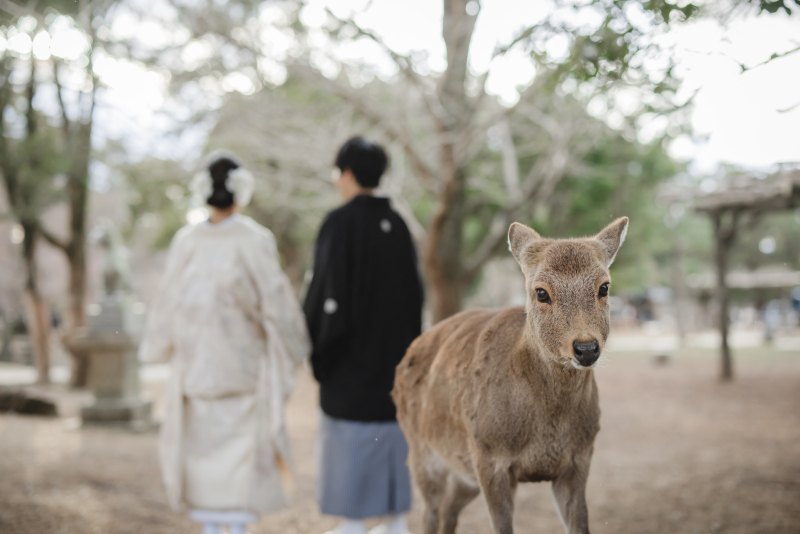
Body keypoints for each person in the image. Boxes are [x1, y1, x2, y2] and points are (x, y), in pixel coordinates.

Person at [139, 154, 310, 534]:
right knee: (239, 458)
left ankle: (213, 528)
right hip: (241, 364)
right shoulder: (254, 239)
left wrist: (155, 348)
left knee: (202, 455)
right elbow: (277, 302)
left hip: (197, 363)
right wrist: (297, 346)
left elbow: (167, 299)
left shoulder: (187, 241)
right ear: (241, 192)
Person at [304, 137, 424, 534]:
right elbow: (414, 298)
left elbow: (326, 294)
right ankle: (394, 521)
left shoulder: (340, 223)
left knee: (351, 441)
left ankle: (354, 523)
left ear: (349, 173)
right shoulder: (400, 225)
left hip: (350, 368)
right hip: (395, 365)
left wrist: (320, 353)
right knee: (392, 439)